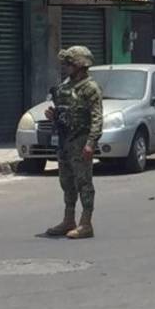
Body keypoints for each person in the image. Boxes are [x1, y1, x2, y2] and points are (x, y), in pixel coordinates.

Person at [44, 46, 103, 239]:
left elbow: (97, 118)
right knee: (66, 182)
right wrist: (53, 115)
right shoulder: (65, 87)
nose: (66, 67)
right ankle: (68, 219)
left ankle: (86, 223)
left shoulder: (90, 88)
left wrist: (90, 143)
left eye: (69, 64)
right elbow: (63, 113)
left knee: (83, 182)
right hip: (65, 141)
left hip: (80, 141)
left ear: (79, 65)